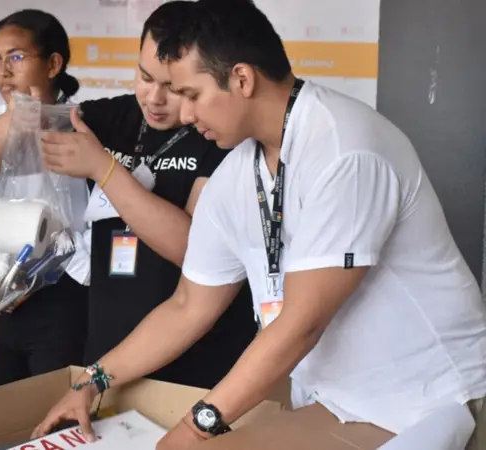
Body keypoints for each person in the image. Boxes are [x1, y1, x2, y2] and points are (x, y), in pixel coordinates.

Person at [31, 1, 486, 449]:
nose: (185, 115)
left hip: (430, 399)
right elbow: (188, 305)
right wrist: (93, 380)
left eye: (191, 95)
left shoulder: (344, 149)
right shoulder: (237, 174)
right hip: (339, 401)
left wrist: (195, 427)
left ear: (242, 79)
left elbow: (301, 323)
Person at [0, 1, 257, 391]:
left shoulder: (217, 134)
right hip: (108, 345)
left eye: (173, 87)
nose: (154, 98)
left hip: (193, 358)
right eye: (145, 77)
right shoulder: (115, 118)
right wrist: (26, 111)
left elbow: (192, 247)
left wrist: (104, 170)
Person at [0, 9, 90, 391]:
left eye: (16, 57)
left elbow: (95, 222)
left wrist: (44, 276)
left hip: (61, 300)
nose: (3, 72)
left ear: (53, 64)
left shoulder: (83, 126)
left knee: (51, 405)